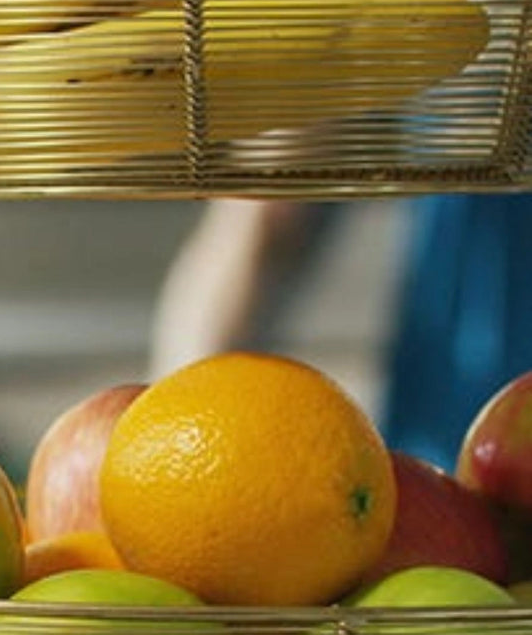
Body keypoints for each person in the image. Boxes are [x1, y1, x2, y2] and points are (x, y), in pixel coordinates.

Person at [150, 193, 532, 471]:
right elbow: (268, 214)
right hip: (448, 467)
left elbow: (269, 216)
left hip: (448, 470)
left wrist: (175, 452)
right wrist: (181, 449)